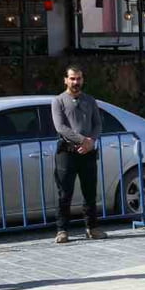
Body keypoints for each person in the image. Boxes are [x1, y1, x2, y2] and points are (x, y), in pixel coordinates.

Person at [51, 64, 106, 243]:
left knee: (89, 192)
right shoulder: (58, 101)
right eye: (72, 78)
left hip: (88, 152)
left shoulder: (90, 100)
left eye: (79, 78)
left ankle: (92, 227)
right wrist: (82, 140)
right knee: (64, 193)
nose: (76, 82)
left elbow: (97, 124)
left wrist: (91, 141)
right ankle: (62, 230)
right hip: (67, 153)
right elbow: (61, 127)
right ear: (65, 80)